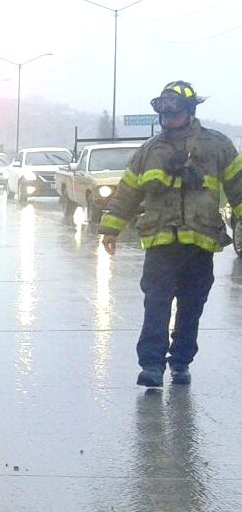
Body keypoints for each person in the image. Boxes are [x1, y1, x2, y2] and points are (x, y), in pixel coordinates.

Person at [99, 80, 242, 387]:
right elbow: (128, 192)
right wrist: (111, 228)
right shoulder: (150, 151)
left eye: (174, 113)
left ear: (189, 112)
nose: (168, 119)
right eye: (163, 114)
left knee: (192, 305)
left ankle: (180, 361)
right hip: (160, 241)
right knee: (156, 303)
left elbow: (239, 188)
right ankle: (151, 365)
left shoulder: (216, 146)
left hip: (200, 240)